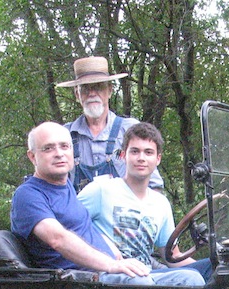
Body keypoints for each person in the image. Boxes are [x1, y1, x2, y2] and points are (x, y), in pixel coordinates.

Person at [9, 122, 200, 286]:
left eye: (64, 146)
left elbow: (83, 226)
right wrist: (112, 265)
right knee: (141, 284)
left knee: (192, 279)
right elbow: (58, 238)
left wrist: (112, 250)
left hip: (108, 272)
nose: (59, 154)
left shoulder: (64, 187)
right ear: (32, 156)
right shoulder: (28, 195)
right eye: (48, 148)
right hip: (78, 283)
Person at [78, 122, 210, 283]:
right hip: (108, 276)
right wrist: (102, 242)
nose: (141, 158)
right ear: (123, 155)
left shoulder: (160, 203)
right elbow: (69, 226)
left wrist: (209, 264)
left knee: (199, 275)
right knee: (142, 282)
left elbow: (173, 257)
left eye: (148, 152)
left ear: (158, 159)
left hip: (147, 274)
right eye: (135, 151)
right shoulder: (100, 190)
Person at [57, 56, 163, 192]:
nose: (92, 93)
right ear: (77, 94)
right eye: (85, 88)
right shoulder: (63, 136)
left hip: (126, 206)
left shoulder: (131, 130)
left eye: (98, 87)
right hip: (78, 207)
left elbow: (154, 186)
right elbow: (53, 188)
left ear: (110, 90)